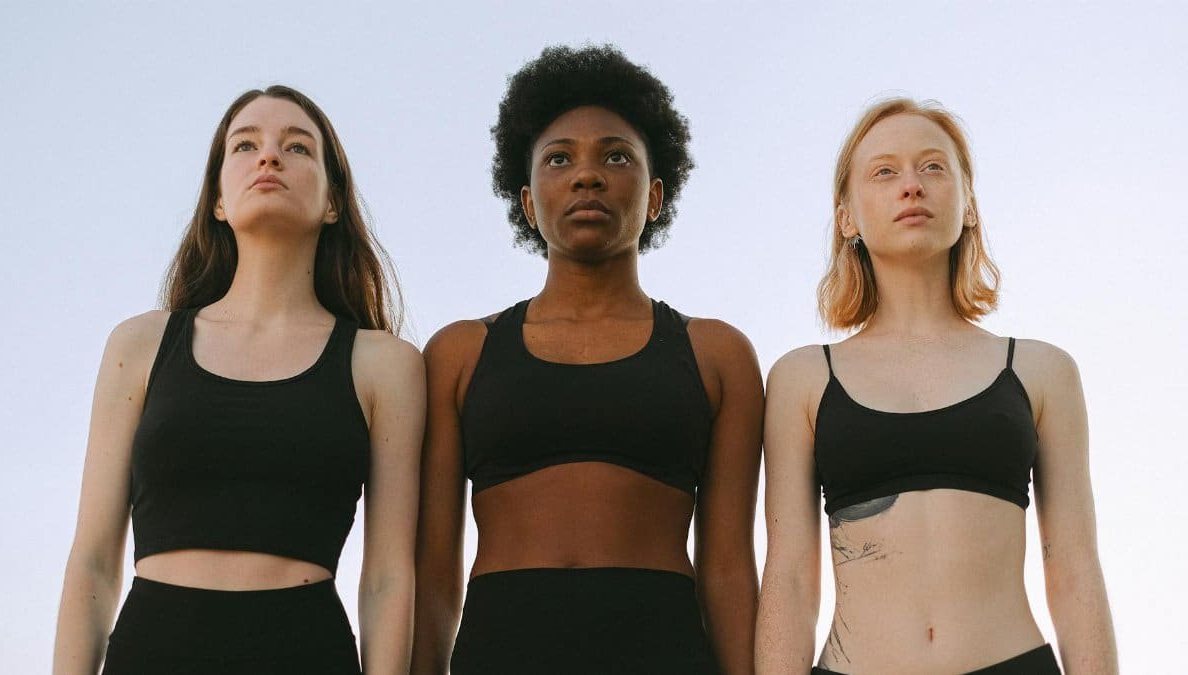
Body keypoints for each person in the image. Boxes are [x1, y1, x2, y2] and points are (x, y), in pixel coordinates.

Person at [411, 45, 763, 675]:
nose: (587, 175)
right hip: (499, 652)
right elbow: (435, 572)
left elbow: (730, 566)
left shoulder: (717, 355)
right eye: (559, 158)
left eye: (616, 156)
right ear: (526, 202)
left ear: (655, 197)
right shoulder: (459, 353)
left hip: (665, 652)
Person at [52, 85, 424, 674]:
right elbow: (93, 560)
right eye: (245, 145)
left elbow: (387, 578)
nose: (269, 157)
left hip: (306, 653)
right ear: (218, 200)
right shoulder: (140, 344)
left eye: (297, 147)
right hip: (151, 651)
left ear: (333, 202)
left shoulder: (386, 363)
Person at [756, 98, 1118, 674]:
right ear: (846, 216)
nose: (911, 186)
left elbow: (1073, 566)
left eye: (932, 167)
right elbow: (791, 578)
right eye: (884, 171)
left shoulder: (1041, 370)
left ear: (969, 204)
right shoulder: (802, 377)